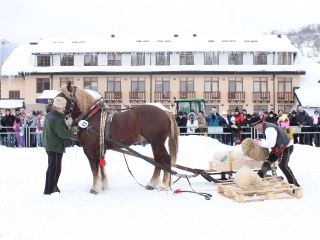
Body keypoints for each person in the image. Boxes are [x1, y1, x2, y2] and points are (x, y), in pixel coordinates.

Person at [43, 97, 79, 195]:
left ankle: (48, 188)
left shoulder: (50, 115)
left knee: (51, 167)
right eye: (63, 108)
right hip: (55, 146)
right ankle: (51, 189)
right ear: (58, 108)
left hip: (50, 144)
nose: (64, 109)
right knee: (55, 169)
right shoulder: (57, 119)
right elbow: (63, 134)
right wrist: (74, 129)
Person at [251, 116, 300, 187]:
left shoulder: (269, 129)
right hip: (279, 147)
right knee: (268, 160)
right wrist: (260, 141)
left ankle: (295, 185)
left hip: (286, 147)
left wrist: (259, 143)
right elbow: (270, 141)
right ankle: (260, 176)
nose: (256, 129)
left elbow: (271, 143)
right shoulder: (266, 127)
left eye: (255, 127)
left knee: (283, 165)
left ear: (257, 125)